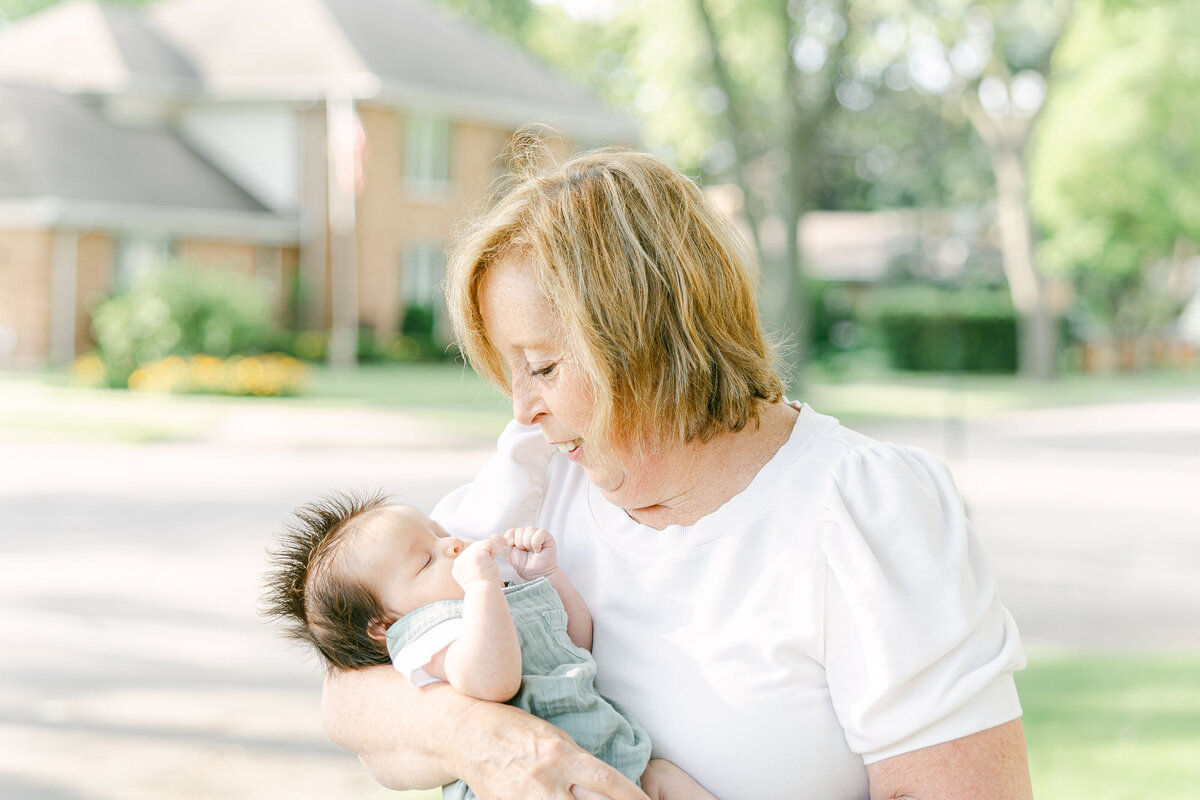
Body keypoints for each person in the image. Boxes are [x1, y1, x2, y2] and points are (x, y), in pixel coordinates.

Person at [321, 140, 1034, 800]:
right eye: (509, 370)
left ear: (649, 338)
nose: (521, 407)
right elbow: (352, 698)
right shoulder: (536, 485)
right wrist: (482, 738)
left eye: (542, 366)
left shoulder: (864, 507)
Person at [262, 491, 714, 799]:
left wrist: (545, 577)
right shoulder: (429, 633)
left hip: (613, 750)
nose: (452, 546)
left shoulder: (496, 597)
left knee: (667, 780)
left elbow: (575, 642)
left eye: (440, 534)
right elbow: (491, 682)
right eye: (425, 559)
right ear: (382, 625)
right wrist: (481, 588)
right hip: (529, 786)